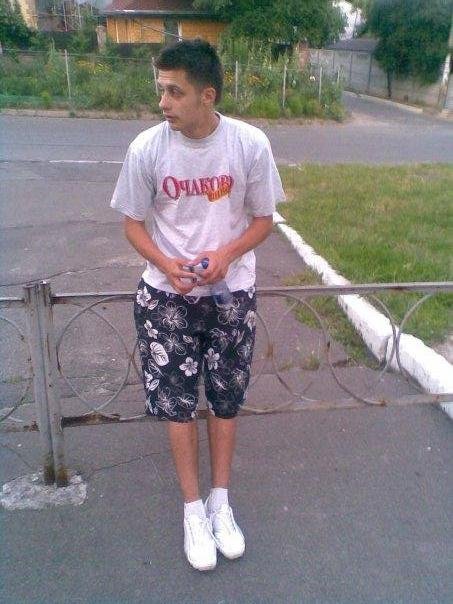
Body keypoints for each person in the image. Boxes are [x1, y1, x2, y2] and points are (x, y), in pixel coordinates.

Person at [110, 38, 285, 571]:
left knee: (226, 401)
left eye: (174, 91)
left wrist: (227, 255)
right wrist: (167, 265)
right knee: (178, 406)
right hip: (167, 299)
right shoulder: (147, 149)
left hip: (231, 297)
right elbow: (132, 224)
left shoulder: (249, 144)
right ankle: (192, 510)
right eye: (160, 89)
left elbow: (264, 219)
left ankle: (220, 503)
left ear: (207, 95)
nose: (162, 102)